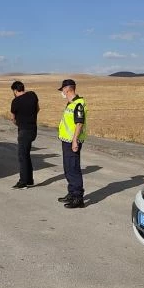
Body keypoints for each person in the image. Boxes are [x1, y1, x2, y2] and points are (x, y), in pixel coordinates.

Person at [57, 79, 87, 209]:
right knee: (68, 168)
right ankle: (71, 193)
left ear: (67, 89)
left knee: (73, 169)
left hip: (72, 141)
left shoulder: (78, 104)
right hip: (66, 140)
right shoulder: (70, 104)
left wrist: (75, 140)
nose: (62, 92)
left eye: (63, 89)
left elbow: (79, 123)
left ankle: (78, 198)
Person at [9, 80, 40, 189]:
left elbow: (13, 118)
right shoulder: (32, 95)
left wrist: (19, 122)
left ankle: (23, 182)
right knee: (26, 155)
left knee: (22, 156)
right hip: (33, 129)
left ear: (15, 90)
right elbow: (38, 109)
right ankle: (29, 180)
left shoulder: (15, 101)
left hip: (23, 131)